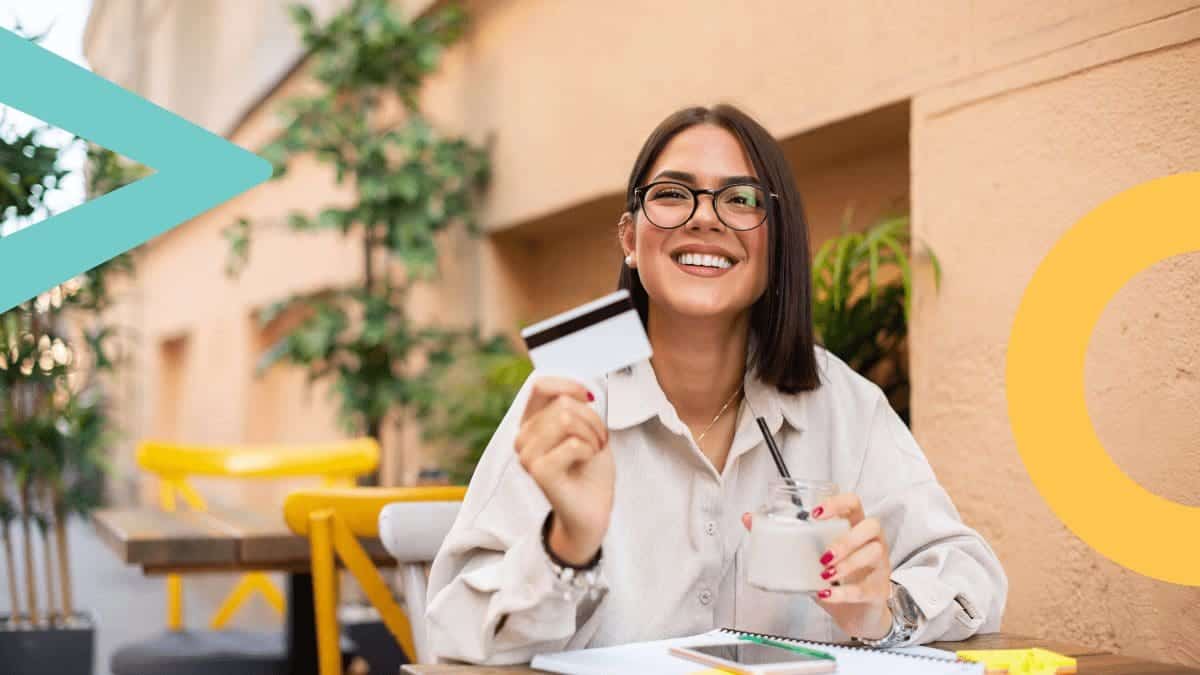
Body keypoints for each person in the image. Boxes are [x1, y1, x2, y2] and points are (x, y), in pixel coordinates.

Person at [425, 104, 1007, 665]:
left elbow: (968, 574)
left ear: (774, 243)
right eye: (674, 194)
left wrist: (884, 610)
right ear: (630, 238)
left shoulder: (841, 401)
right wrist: (566, 548)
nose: (706, 217)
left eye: (741, 199)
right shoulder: (569, 392)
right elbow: (452, 626)